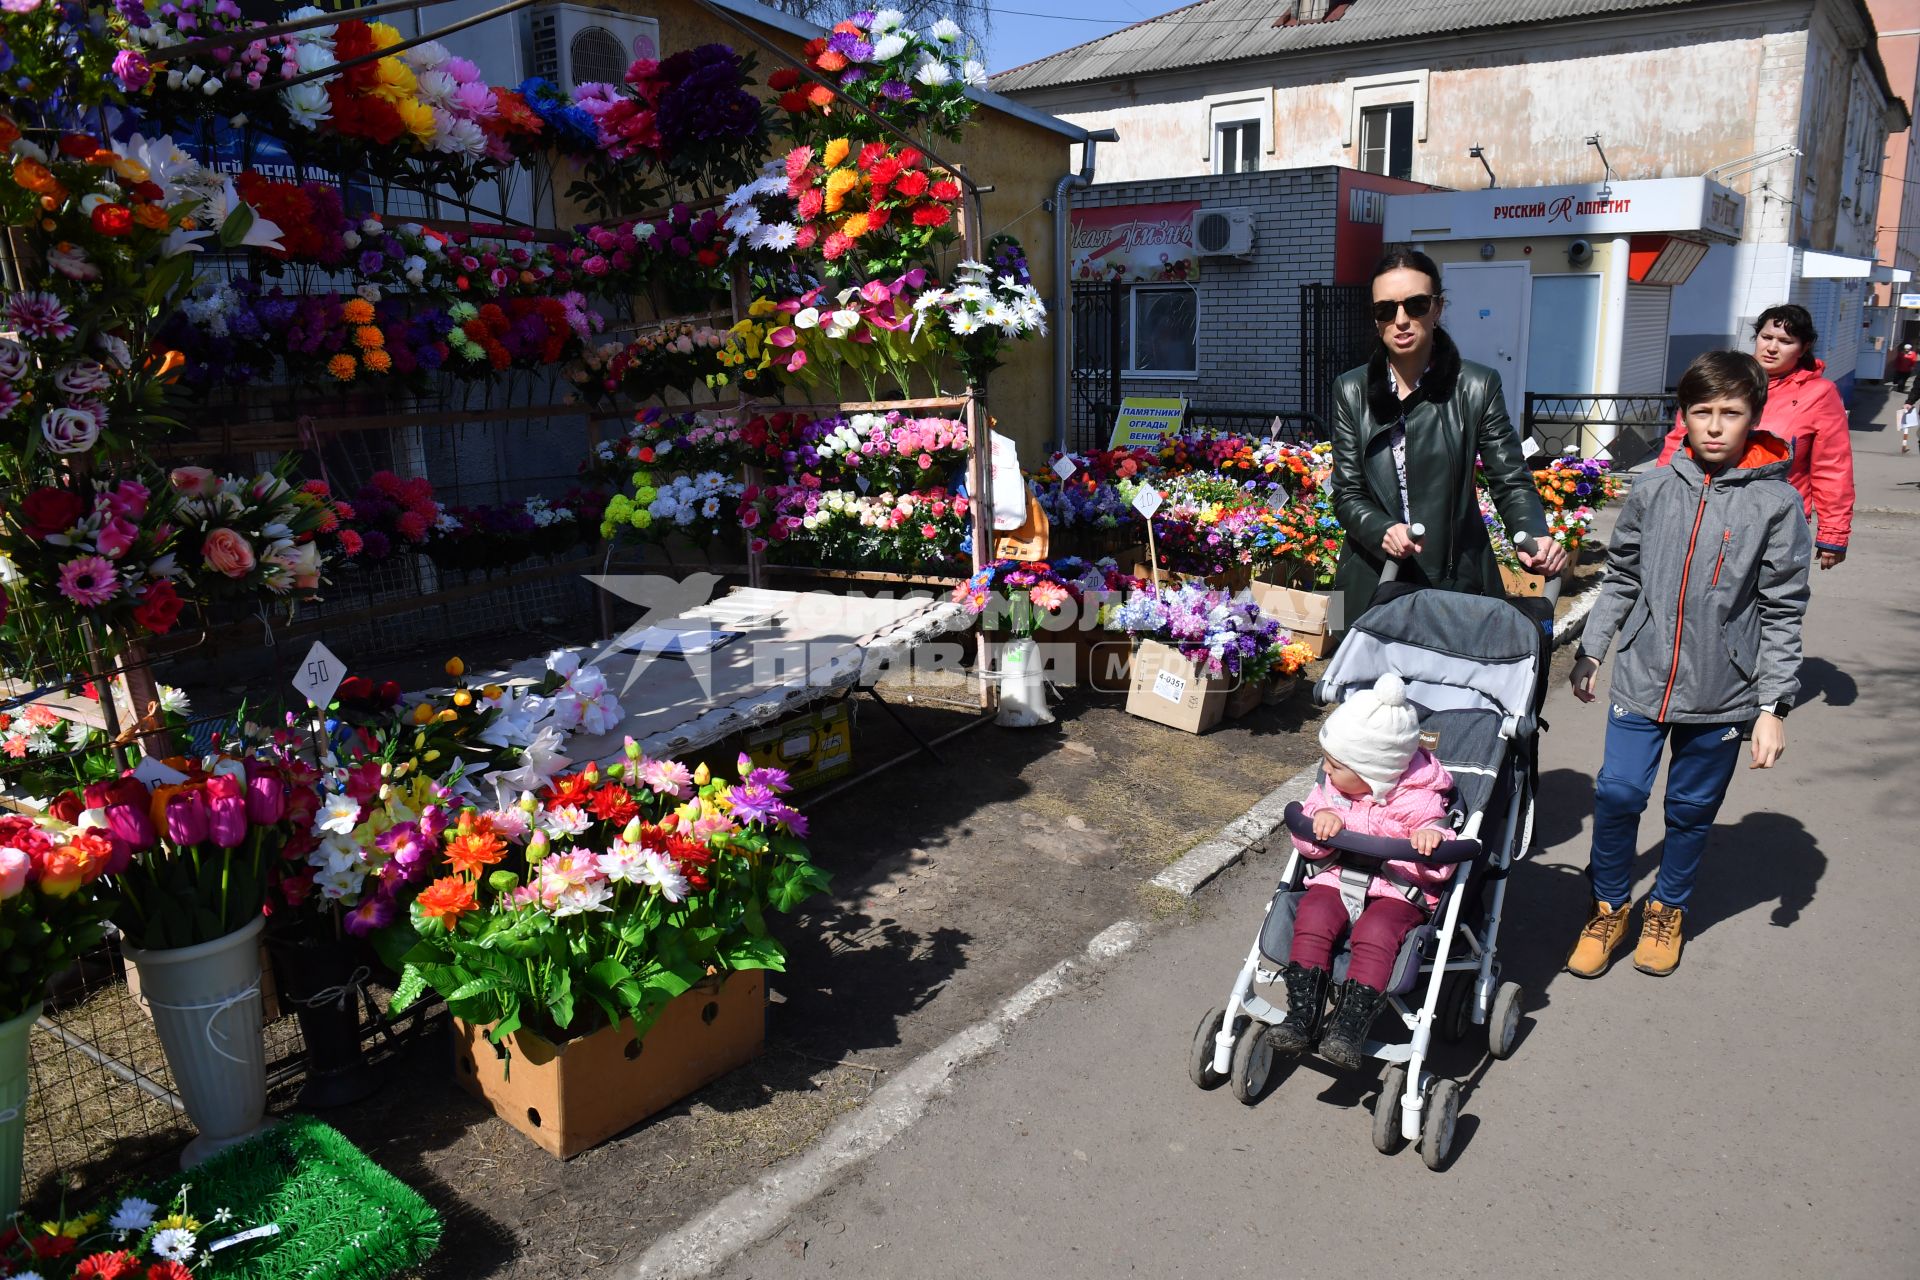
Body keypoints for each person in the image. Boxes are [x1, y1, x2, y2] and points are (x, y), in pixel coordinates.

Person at [1566, 351, 1811, 979]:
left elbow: (1783, 609)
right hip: (1643, 677)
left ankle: (1666, 908)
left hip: (1724, 693)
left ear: (1754, 417)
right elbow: (1621, 574)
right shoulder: (1651, 487)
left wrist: (1772, 706)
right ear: (1685, 415)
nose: (1714, 425)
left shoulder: (1777, 504)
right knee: (1618, 794)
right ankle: (1610, 905)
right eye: (1702, 411)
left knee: (1690, 810)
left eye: (1730, 413)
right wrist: (1593, 647)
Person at [1330, 249, 1565, 633]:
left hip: (1456, 576)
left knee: (1453, 685)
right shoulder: (1349, 389)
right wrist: (1382, 529)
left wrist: (1532, 534)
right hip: (1367, 573)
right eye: (1385, 310)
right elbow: (1345, 492)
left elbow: (1509, 477)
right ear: (1375, 320)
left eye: (1416, 304)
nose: (1401, 320)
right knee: (1357, 686)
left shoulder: (1477, 386)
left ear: (1438, 308)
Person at [1271, 673, 1455, 1068]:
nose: (1325, 770)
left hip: (1397, 893)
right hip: (1335, 878)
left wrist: (1430, 842)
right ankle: (1302, 1014)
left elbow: (1439, 869)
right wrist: (1318, 824)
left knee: (1376, 931)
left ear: (1373, 772)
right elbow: (1305, 844)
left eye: (1334, 765)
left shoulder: (1421, 803)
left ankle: (1349, 1026)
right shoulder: (1331, 793)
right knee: (1314, 913)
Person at [1654, 304, 1853, 570]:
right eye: (1766, 337)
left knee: (1769, 600)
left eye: (1785, 341)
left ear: (1804, 348)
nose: (1772, 348)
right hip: (1707, 511)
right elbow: (1679, 441)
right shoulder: (1726, 379)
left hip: (1777, 521)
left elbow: (1832, 466)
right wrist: (1657, 497)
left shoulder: (1819, 393)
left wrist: (1833, 533)